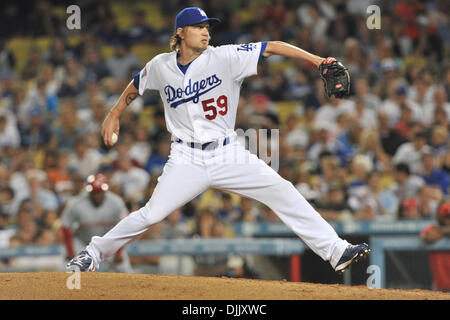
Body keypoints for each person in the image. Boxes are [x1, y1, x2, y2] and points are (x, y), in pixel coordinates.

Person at [67, 7, 369, 274]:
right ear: (181, 33)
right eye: (199, 27)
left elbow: (272, 47)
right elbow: (138, 82)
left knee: (282, 190)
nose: (206, 32)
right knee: (151, 214)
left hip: (228, 153)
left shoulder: (225, 56)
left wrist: (319, 61)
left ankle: (336, 250)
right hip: (186, 158)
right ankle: (92, 253)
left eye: (208, 27)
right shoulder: (161, 65)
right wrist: (114, 113)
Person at [61, 173, 132, 273]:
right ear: (89, 191)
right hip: (83, 243)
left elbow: (125, 226)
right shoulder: (76, 203)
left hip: (108, 242)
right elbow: (65, 227)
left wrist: (119, 252)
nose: (97, 195)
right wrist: (70, 251)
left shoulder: (116, 202)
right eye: (95, 192)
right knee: (68, 267)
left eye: (100, 192)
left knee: (124, 268)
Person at [421, 202, 450, 292]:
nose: (449, 220)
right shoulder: (432, 228)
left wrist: (442, 231)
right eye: (447, 217)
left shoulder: (438, 229)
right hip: (440, 284)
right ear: (441, 217)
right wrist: (444, 231)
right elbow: (428, 237)